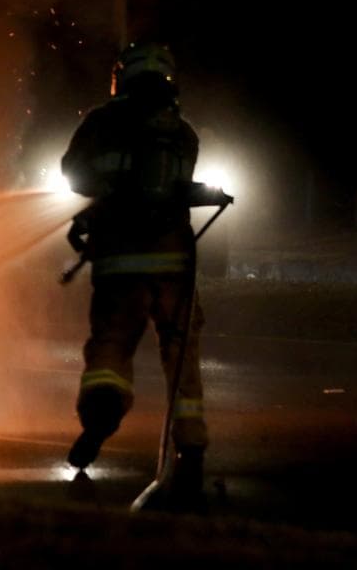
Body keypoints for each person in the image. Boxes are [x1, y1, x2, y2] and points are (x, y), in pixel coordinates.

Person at [59, 41, 207, 503]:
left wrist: (97, 206)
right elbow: (179, 191)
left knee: (111, 348)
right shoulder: (182, 132)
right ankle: (192, 444)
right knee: (181, 354)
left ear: (122, 76)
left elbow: (73, 175)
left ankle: (99, 418)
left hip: (119, 265)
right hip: (175, 267)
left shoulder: (101, 123)